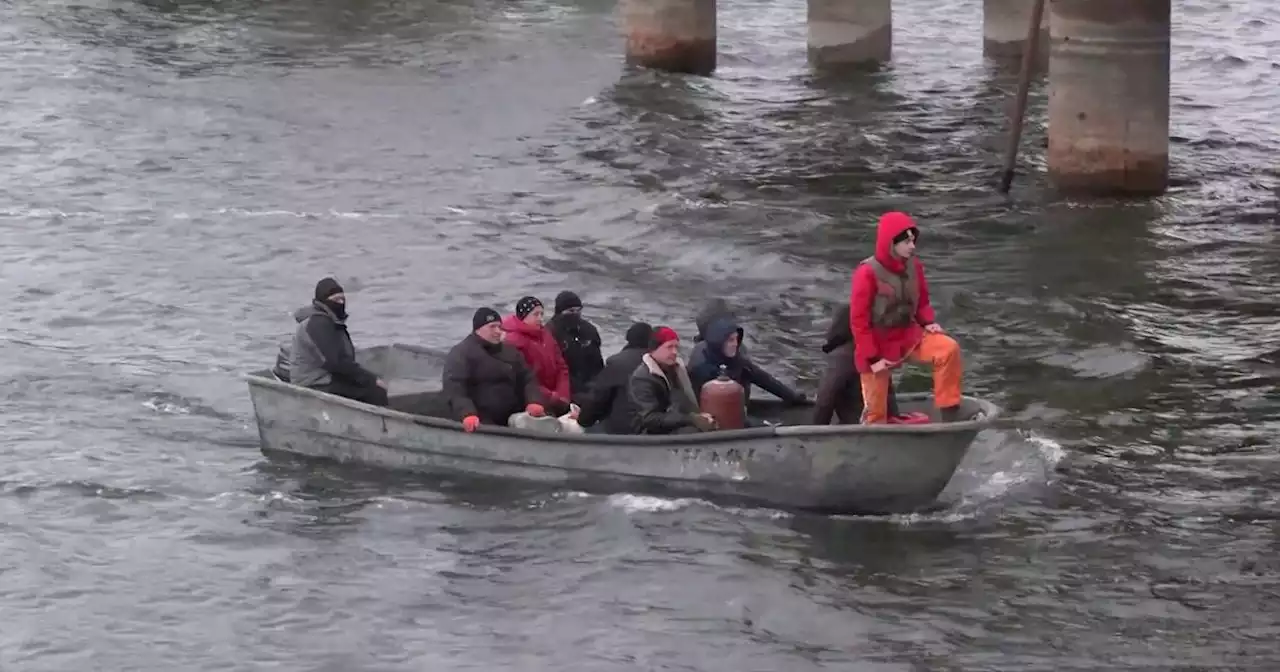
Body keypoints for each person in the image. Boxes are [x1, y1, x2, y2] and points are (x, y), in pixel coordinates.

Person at [850, 212, 964, 423]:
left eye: (913, 240)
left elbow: (922, 302)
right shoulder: (866, 273)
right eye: (906, 241)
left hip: (908, 336)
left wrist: (928, 322)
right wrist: (873, 358)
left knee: (948, 349)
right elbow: (859, 322)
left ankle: (949, 414)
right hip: (877, 345)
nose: (912, 246)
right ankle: (875, 436)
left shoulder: (915, 267)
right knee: (876, 414)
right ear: (891, 243)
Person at [441, 307, 548, 432]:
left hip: (515, 415)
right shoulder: (461, 353)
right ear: (478, 329)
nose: (498, 331)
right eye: (492, 327)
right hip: (480, 419)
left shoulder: (510, 352)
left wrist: (534, 401)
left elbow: (528, 378)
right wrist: (467, 414)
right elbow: (455, 388)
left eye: (500, 327)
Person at [288, 277, 387, 406]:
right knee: (375, 392)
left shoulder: (330, 321)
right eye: (336, 300)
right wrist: (371, 379)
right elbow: (335, 363)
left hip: (325, 377)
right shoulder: (318, 324)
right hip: (313, 383)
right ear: (323, 301)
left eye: (342, 299)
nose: (340, 303)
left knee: (364, 384)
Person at [812, 304, 916, 425]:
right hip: (884, 423)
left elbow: (825, 400)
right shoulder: (875, 352)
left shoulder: (842, 356)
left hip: (858, 425)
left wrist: (816, 433)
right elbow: (890, 397)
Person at [688, 317, 808, 409]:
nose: (735, 344)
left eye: (736, 339)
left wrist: (791, 396)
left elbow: (761, 377)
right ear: (718, 343)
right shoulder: (700, 368)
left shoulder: (734, 358)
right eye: (730, 340)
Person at [627, 326, 717, 435]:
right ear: (654, 349)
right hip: (650, 433)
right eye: (669, 347)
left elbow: (685, 402)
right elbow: (649, 418)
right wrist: (691, 419)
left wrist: (701, 416)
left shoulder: (676, 369)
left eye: (676, 347)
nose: (674, 352)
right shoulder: (642, 378)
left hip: (675, 421)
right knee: (690, 431)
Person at [501, 296, 573, 416]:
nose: (540, 318)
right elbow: (524, 379)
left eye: (542, 314)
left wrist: (563, 394)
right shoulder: (513, 341)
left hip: (557, 398)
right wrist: (552, 397)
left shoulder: (546, 335)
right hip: (532, 401)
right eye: (536, 314)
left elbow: (561, 366)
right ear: (524, 316)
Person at [577, 322, 652, 434]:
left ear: (628, 338)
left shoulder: (616, 363)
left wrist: (582, 420)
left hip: (623, 429)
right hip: (653, 427)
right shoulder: (661, 362)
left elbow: (598, 399)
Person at [546, 291, 604, 405]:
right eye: (571, 311)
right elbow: (553, 369)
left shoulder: (589, 330)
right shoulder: (550, 333)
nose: (575, 314)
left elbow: (598, 364)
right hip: (565, 388)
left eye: (578, 310)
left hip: (591, 383)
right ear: (559, 312)